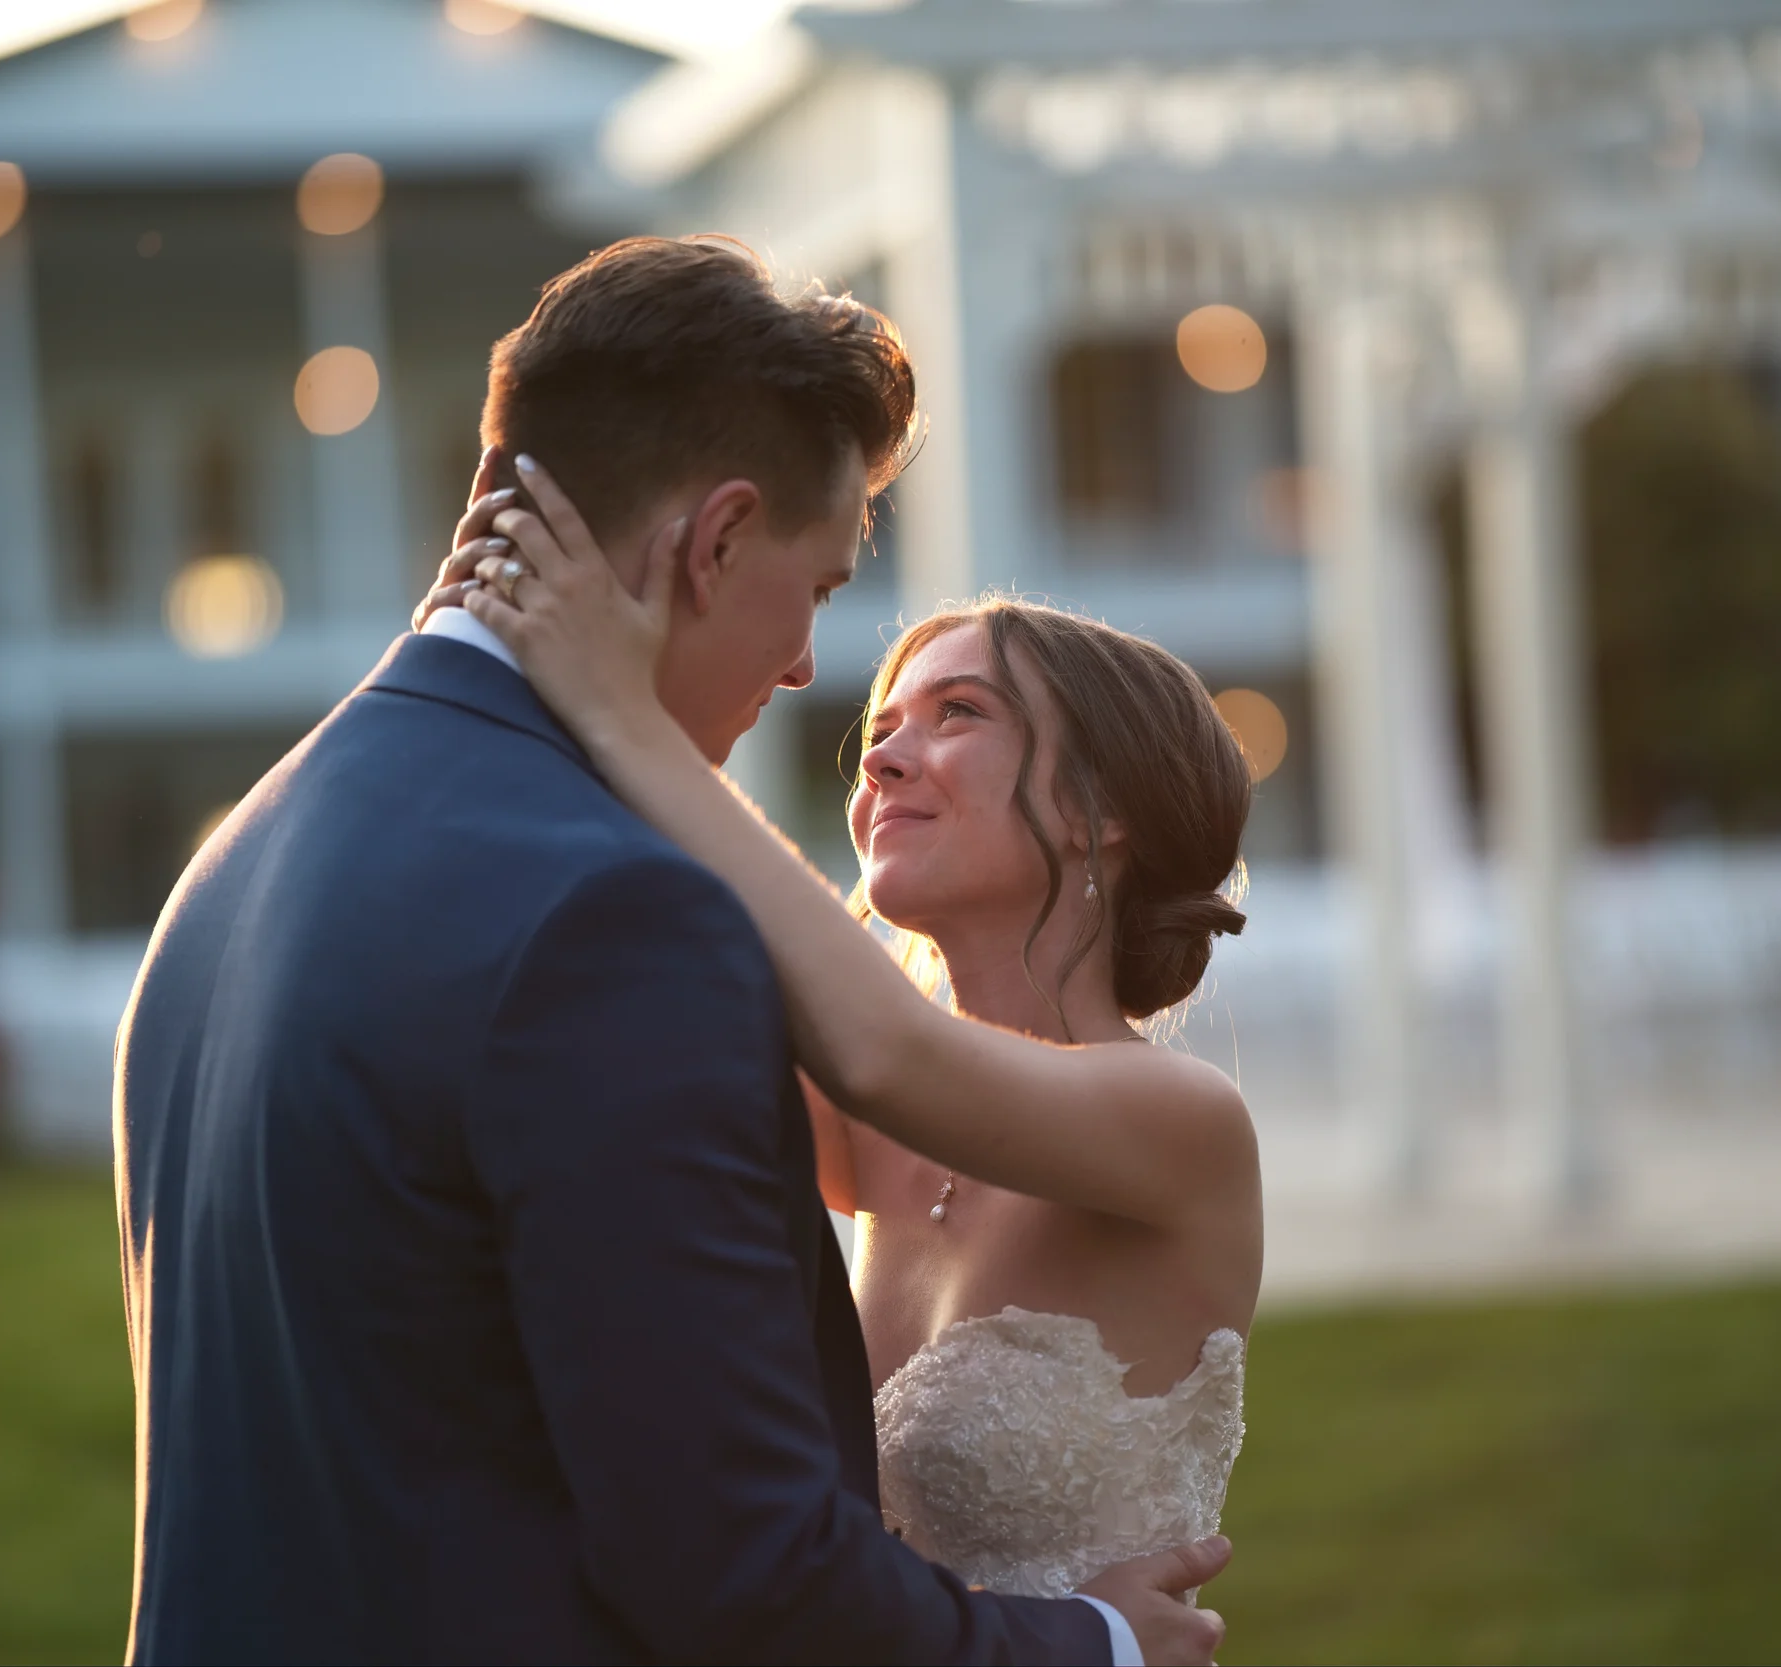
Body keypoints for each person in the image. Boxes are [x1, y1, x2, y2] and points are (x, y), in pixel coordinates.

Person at [113, 234, 1228, 1665]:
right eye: (817, 588)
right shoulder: (610, 925)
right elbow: (740, 1563)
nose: (812, 671)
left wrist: (617, 714)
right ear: (715, 542)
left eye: (960, 714)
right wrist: (1097, 1647)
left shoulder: (240, 858)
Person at [418, 465, 1263, 1604]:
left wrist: (621, 707)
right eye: (883, 725)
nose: (879, 757)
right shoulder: (863, 1116)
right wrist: (492, 646)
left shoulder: (1182, 1122)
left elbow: (883, 1047)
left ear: (1098, 809)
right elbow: (657, 962)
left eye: (958, 713)